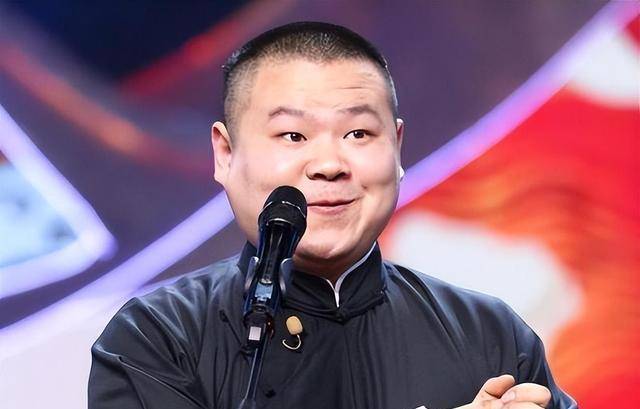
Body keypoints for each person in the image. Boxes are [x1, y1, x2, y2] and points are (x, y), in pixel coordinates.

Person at [89, 22, 577, 409]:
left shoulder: (490, 335)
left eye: (358, 134)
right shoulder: (158, 337)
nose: (328, 164)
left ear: (397, 148)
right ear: (226, 154)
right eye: (293, 136)